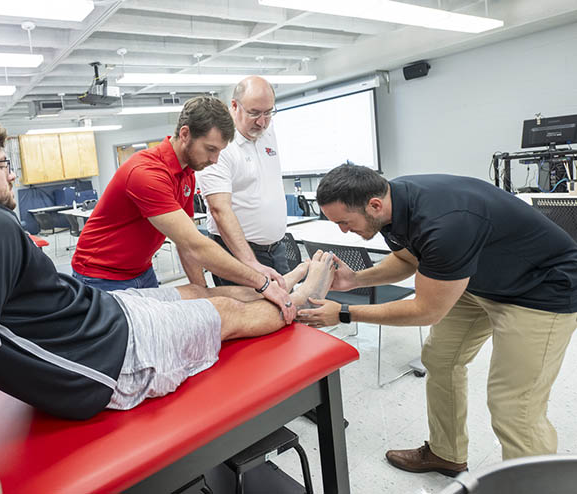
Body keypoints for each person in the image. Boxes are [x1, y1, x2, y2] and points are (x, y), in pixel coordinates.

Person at [0, 116, 334, 493]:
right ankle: (298, 297)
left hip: (103, 314)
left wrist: (252, 279)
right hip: (109, 357)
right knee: (223, 315)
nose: (10, 175)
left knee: (195, 293)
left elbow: (190, 245)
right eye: (1, 166)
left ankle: (284, 281)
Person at [298, 164, 577, 477]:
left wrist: (345, 313)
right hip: (478, 280)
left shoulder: (444, 223)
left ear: (374, 205)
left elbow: (426, 311)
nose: (343, 232)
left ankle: (537, 486)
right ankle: (446, 454)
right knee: (440, 359)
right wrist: (356, 280)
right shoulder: (392, 206)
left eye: (345, 223)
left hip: (540, 291)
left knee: (514, 405)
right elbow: (408, 259)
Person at [71, 95, 294, 323]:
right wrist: (262, 283)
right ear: (185, 134)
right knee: (123, 349)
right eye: (210, 149)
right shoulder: (146, 173)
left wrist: (202, 291)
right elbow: (195, 245)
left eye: (219, 151)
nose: (215, 160)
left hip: (142, 271)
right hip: (100, 276)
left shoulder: (186, 174)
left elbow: (185, 242)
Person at [196, 76, 288, 287]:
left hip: (277, 248)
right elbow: (219, 210)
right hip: (237, 254)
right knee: (249, 317)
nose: (262, 122)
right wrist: (250, 262)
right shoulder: (218, 145)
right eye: (254, 113)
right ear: (234, 106)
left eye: (268, 112)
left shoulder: (265, 129)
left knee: (284, 312)